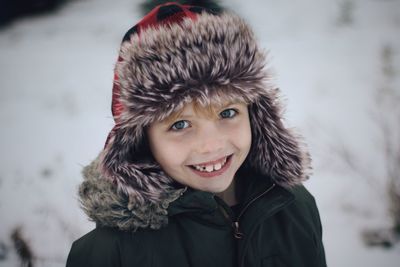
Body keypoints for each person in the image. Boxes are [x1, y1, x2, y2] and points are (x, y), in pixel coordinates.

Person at [66, 2, 327, 267]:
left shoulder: (293, 208)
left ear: (255, 114)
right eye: (179, 125)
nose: (211, 144)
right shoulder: (111, 253)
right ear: (140, 140)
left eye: (227, 113)